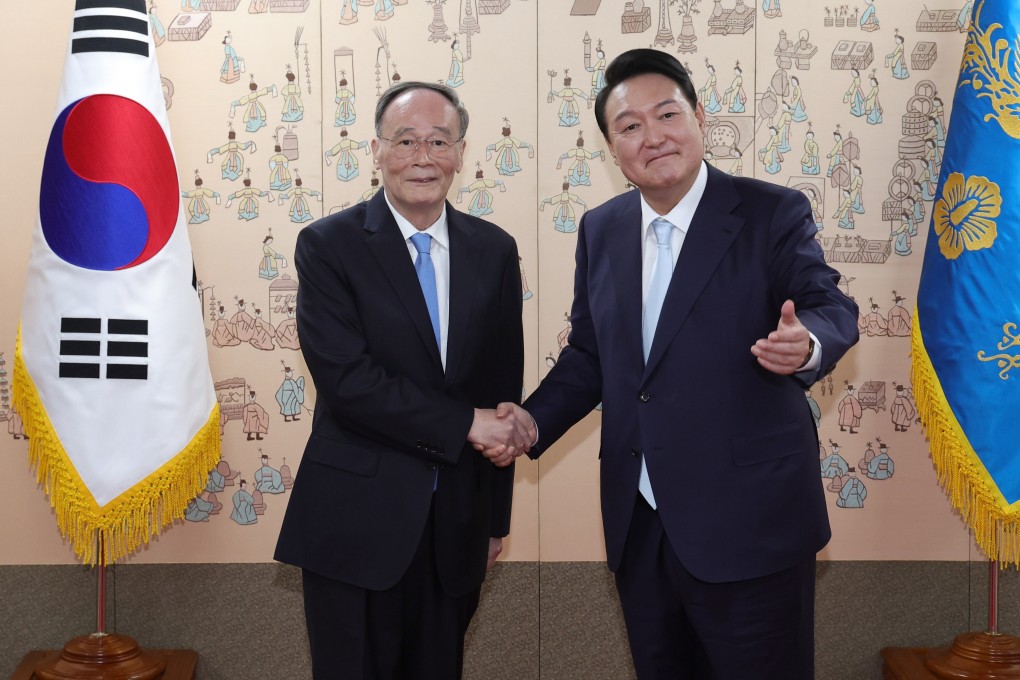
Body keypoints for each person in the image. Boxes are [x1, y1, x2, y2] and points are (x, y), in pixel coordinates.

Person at [483, 49, 859, 680]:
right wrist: (529, 422)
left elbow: (829, 304)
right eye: (629, 126)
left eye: (667, 114)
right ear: (612, 147)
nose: (652, 136)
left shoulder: (769, 211)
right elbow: (590, 356)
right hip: (643, 524)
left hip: (751, 522)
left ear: (700, 118)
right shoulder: (602, 229)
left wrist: (809, 344)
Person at [274, 81, 527, 680]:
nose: (423, 156)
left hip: (456, 525)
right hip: (355, 523)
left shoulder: (493, 251)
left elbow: (501, 393)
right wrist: (466, 422)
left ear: (461, 152)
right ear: (377, 149)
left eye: (439, 140)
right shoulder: (328, 246)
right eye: (406, 140)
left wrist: (495, 522)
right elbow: (349, 383)